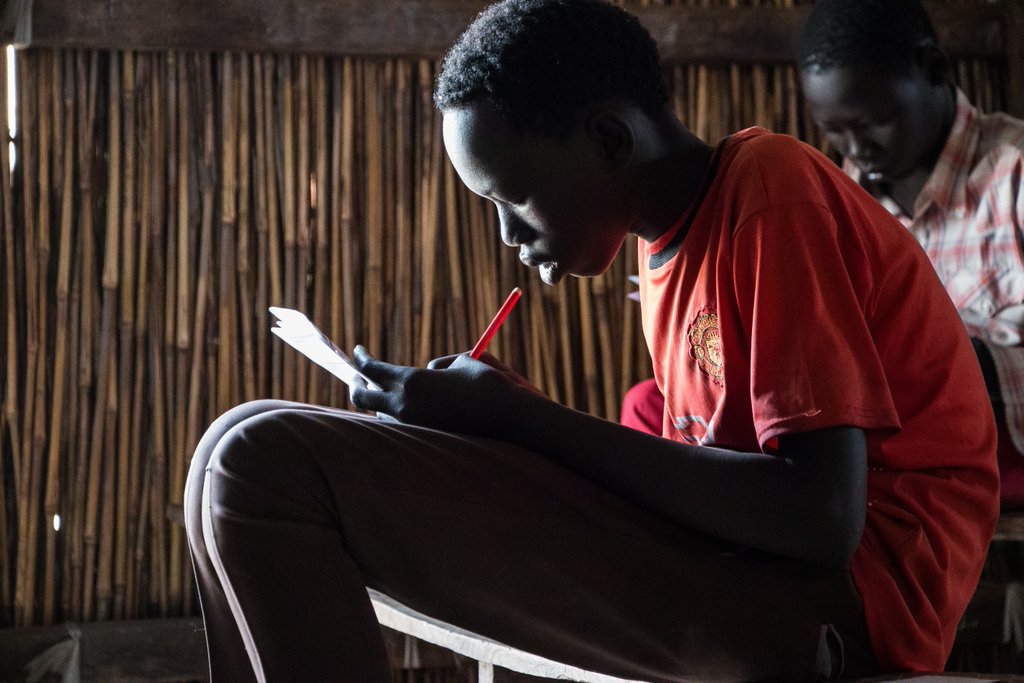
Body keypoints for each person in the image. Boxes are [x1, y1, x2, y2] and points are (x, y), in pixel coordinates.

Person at [184, 0, 999, 679]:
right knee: (225, 451)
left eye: (516, 198)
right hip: (758, 574)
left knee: (261, 464)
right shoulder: (668, 249)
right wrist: (504, 421)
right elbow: (708, 486)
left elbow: (821, 516)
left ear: (610, 139)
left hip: (847, 605)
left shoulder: (770, 192)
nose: (507, 233)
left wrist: (520, 423)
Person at [796, 0, 1024, 510]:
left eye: (874, 121)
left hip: (1000, 433)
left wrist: (967, 359)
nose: (857, 149)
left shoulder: (1014, 175)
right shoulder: (839, 202)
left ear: (934, 69)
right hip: (877, 429)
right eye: (835, 131)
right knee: (652, 404)